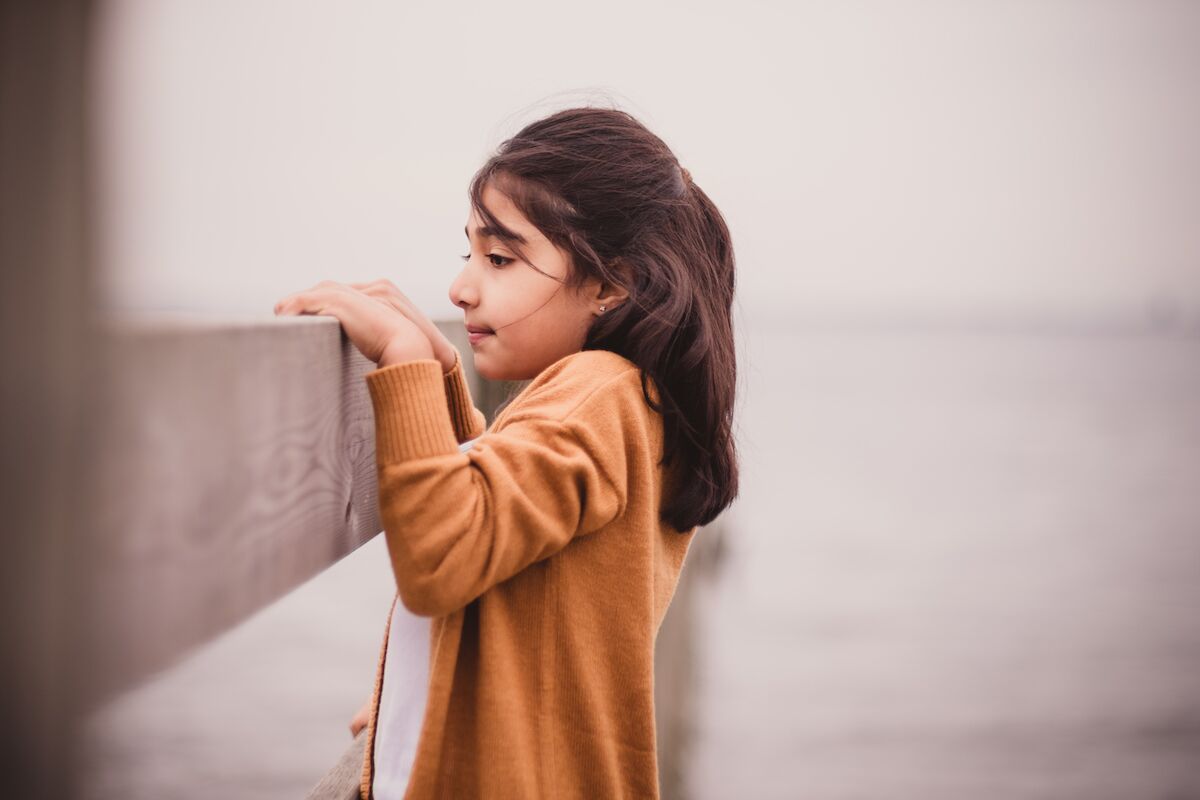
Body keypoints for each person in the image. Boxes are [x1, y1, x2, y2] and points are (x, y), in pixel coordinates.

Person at [274, 105, 739, 799]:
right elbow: (506, 515)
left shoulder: (597, 395)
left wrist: (403, 358)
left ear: (609, 284)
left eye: (499, 259)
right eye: (469, 254)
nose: (461, 288)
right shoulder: (626, 401)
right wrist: (442, 376)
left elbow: (442, 553)